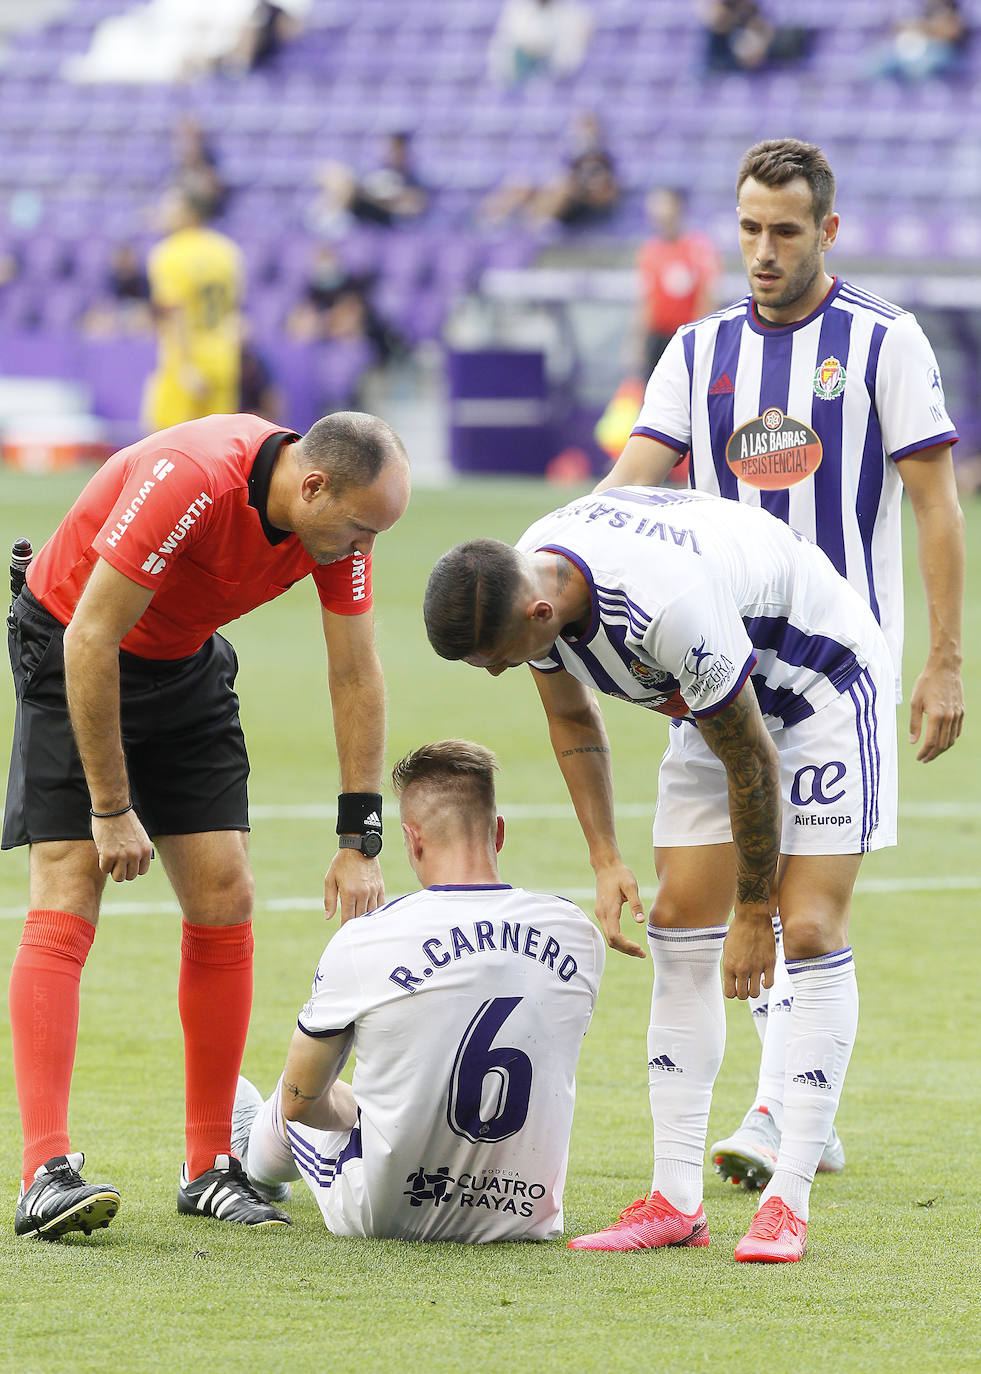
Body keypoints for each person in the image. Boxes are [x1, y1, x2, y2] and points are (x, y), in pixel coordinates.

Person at [597, 136, 965, 1190]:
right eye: (750, 229)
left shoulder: (885, 343)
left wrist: (942, 661)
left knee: (803, 914)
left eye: (785, 232)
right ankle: (801, 1095)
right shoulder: (697, 349)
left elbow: (938, 505)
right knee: (697, 903)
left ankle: (774, 1114)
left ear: (828, 232)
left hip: (833, 677)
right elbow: (626, 487)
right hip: (715, 677)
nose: (762, 251)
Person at [424, 485, 898, 1262]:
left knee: (806, 930)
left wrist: (753, 910)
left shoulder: (663, 607)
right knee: (678, 924)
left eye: (496, 658)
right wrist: (605, 859)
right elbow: (573, 717)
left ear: (538, 614)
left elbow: (751, 755)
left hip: (816, 689)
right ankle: (675, 1200)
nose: (493, 672)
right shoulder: (527, 573)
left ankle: (788, 1200)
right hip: (711, 703)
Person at [5, 409, 411, 1240]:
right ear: (313, 485)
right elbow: (91, 637)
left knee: (225, 891)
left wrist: (357, 837)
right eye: (360, 528)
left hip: (184, 659)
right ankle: (43, 1170)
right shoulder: (196, 480)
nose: (362, 549)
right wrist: (112, 810)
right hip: (74, 642)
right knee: (70, 878)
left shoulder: (332, 530)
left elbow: (355, 671)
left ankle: (206, 1164)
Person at [235, 739, 605, 1241]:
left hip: (387, 1216)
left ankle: (251, 1168)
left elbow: (304, 1103)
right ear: (498, 833)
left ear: (411, 840)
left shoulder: (367, 937)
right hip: (521, 1219)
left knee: (292, 1092)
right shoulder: (576, 932)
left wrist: (362, 1111)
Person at [143, 186, 244, 434]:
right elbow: (235, 308)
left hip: (187, 354)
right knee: (217, 441)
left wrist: (186, 365)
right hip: (223, 354)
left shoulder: (170, 253)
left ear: (189, 213)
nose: (164, 212)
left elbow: (176, 313)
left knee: (166, 440)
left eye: (170, 206)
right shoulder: (227, 250)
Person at [634, 189, 721, 379]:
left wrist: (702, 340)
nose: (659, 212)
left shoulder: (698, 247)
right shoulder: (649, 250)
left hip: (687, 338)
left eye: (664, 205)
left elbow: (706, 297)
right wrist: (638, 343)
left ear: (678, 209)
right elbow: (646, 301)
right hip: (657, 339)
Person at [488, 0, 593, 85]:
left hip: (554, 64)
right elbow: (514, 37)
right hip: (525, 64)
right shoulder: (519, 8)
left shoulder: (570, 10)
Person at [867, 0, 968, 82]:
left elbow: (950, 32)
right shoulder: (927, 10)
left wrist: (923, 28)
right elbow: (899, 27)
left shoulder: (953, 9)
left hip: (943, 53)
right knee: (882, 60)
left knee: (919, 68)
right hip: (918, 51)